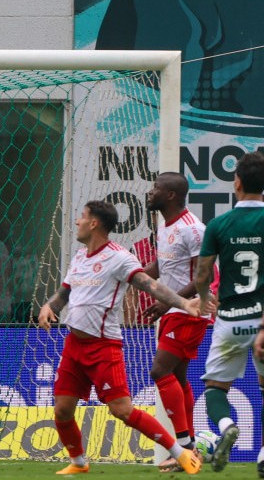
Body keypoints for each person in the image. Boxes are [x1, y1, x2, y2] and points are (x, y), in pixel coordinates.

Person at [38, 200, 203, 475]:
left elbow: (150, 285)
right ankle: (79, 462)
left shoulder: (119, 257)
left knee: (122, 411)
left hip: (103, 346)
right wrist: (48, 306)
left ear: (94, 223)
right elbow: (65, 292)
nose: (77, 222)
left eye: (82, 217)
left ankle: (181, 453)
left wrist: (184, 304)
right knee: (62, 409)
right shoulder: (80, 257)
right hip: (73, 345)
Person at [138, 172, 213, 472]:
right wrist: (133, 277)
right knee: (178, 379)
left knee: (160, 371)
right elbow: (162, 265)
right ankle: (189, 446)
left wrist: (168, 301)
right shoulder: (166, 226)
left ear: (170, 195)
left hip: (190, 311)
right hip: (175, 311)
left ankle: (184, 446)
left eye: (156, 188)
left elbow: (203, 277)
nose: (151, 192)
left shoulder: (193, 229)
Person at [196, 151, 264, 474]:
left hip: (230, 321)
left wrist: (204, 296)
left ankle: (225, 427)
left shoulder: (219, 224)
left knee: (214, 388)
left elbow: (202, 273)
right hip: (263, 320)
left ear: (236, 183)